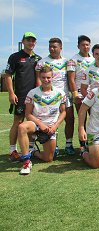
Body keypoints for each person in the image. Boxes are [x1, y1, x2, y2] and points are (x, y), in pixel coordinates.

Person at [17, 66, 66, 175]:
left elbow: (63, 112)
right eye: (43, 77)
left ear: (52, 77)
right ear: (39, 77)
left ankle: (33, 152)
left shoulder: (60, 93)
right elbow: (28, 114)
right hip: (36, 124)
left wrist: (55, 126)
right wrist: (40, 124)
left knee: (48, 158)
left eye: (48, 77)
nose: (46, 80)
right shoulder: (32, 93)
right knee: (22, 127)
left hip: (50, 127)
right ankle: (26, 161)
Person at [35, 38, 75, 156]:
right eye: (50, 46)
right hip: (49, 97)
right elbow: (38, 79)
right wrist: (40, 94)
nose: (52, 49)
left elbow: (70, 79)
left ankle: (69, 144)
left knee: (70, 119)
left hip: (64, 96)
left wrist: (73, 93)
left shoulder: (67, 62)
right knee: (51, 121)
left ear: (61, 48)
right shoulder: (42, 62)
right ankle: (54, 145)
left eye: (55, 47)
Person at [5, 32, 41, 162]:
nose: (31, 43)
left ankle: (30, 149)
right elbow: (8, 75)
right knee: (18, 122)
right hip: (20, 96)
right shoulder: (15, 57)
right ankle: (12, 151)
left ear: (35, 43)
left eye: (33, 41)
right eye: (28, 40)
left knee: (32, 123)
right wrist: (11, 92)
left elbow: (41, 78)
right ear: (23, 41)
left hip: (35, 98)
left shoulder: (38, 58)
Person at [67, 35, 95, 154]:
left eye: (87, 45)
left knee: (93, 119)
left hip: (92, 94)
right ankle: (82, 145)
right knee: (82, 119)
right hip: (79, 94)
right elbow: (71, 79)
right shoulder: (73, 60)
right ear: (78, 46)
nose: (85, 47)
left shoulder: (94, 58)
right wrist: (75, 94)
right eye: (83, 45)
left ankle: (93, 143)